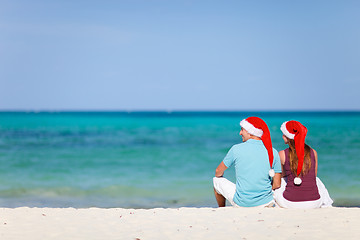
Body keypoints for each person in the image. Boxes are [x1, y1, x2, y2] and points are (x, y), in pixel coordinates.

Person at [213, 116, 282, 207]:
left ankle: (221, 208)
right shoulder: (273, 152)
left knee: (216, 180)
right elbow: (277, 184)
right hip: (266, 202)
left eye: (242, 130)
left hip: (242, 203)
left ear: (250, 132)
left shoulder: (236, 149)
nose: (240, 133)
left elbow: (218, 172)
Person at [273, 120, 333, 208]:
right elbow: (314, 175)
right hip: (315, 202)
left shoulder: (282, 154)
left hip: (290, 202)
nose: (282, 136)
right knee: (317, 180)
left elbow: (283, 176)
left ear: (288, 137)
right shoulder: (313, 152)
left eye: (283, 134)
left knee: (279, 182)